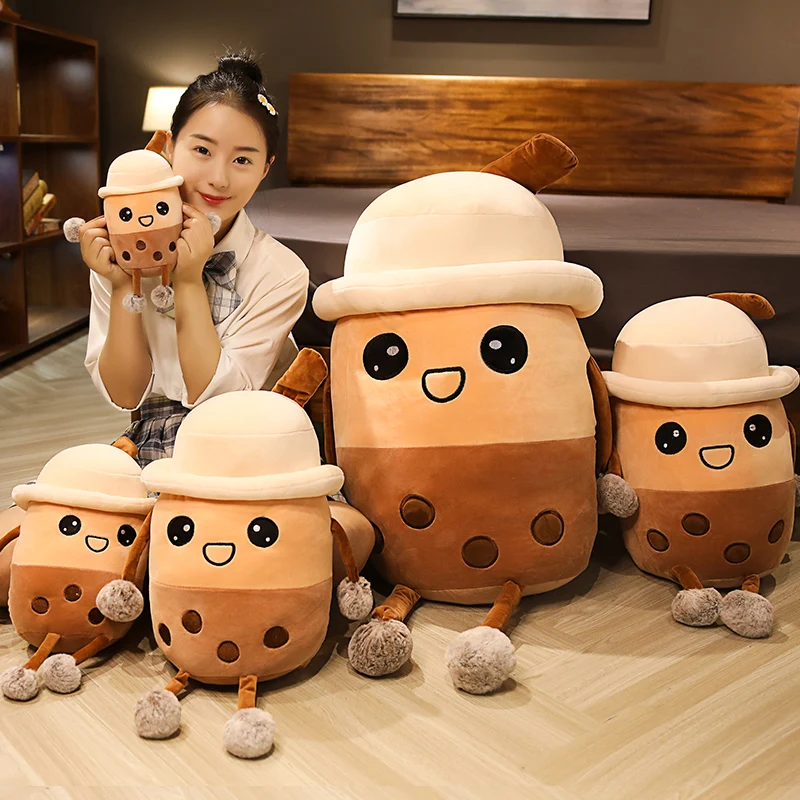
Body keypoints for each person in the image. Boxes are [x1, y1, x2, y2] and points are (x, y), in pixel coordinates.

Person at [80, 50, 309, 465]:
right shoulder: (121, 250)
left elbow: (221, 402)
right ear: (169, 147)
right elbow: (126, 395)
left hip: (247, 442)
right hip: (150, 437)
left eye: (243, 160)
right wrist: (121, 283)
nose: (219, 179)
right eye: (202, 150)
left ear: (265, 169)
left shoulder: (281, 272)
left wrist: (187, 279)